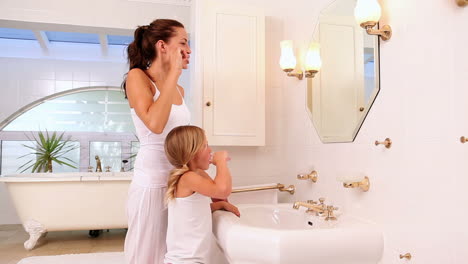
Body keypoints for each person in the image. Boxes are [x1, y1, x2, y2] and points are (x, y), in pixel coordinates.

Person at [123, 19, 191, 264]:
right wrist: (174, 72)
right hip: (151, 181)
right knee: (146, 253)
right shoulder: (138, 77)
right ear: (163, 46)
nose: (189, 49)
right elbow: (155, 124)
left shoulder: (179, 90)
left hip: (178, 180)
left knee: (172, 250)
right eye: (183, 42)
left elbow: (181, 137)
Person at [163, 125, 240, 264]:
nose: (210, 150)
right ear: (191, 152)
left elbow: (193, 211)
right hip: (185, 261)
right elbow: (222, 190)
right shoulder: (188, 178)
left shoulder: (195, 175)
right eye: (205, 145)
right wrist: (221, 162)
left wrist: (219, 205)